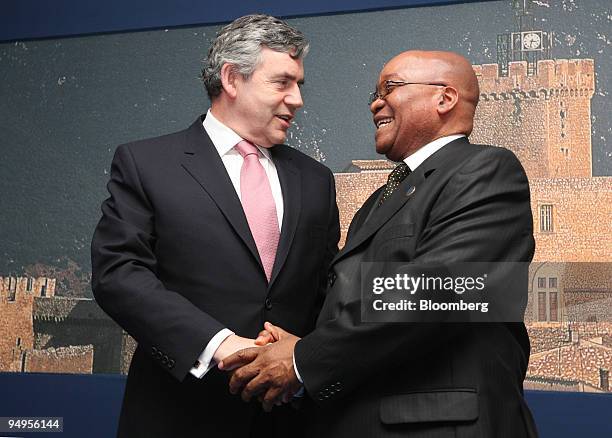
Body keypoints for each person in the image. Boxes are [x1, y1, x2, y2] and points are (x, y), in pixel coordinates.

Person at [221, 50, 539, 437]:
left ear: (445, 98)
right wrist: (295, 341)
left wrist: (303, 358)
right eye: (375, 91)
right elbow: (355, 298)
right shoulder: (381, 200)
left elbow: (442, 290)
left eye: (390, 88)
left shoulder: (486, 170)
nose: (375, 102)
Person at [90, 14, 339, 438]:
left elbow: (326, 291)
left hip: (290, 422)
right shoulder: (147, 164)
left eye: (299, 85)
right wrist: (221, 343)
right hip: (177, 416)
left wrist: (303, 360)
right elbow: (119, 274)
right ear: (231, 78)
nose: (296, 99)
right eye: (282, 82)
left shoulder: (316, 179)